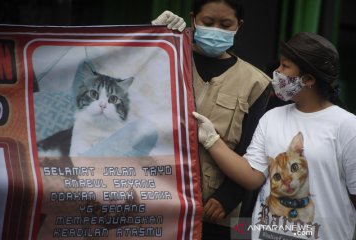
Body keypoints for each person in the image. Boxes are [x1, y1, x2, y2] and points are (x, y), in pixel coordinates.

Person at [193, 32, 356, 239]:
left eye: (285, 67)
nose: (277, 72)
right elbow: (252, 176)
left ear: (308, 79)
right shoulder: (272, 117)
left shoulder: (347, 125)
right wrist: (211, 140)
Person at [152, 1, 271, 239]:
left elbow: (252, 149)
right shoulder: (167, 57)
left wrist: (227, 198)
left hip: (215, 211)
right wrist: (152, 39)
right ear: (193, 18)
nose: (216, 29)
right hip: (158, 198)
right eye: (207, 23)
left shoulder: (256, 83)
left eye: (225, 24)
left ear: (239, 25)